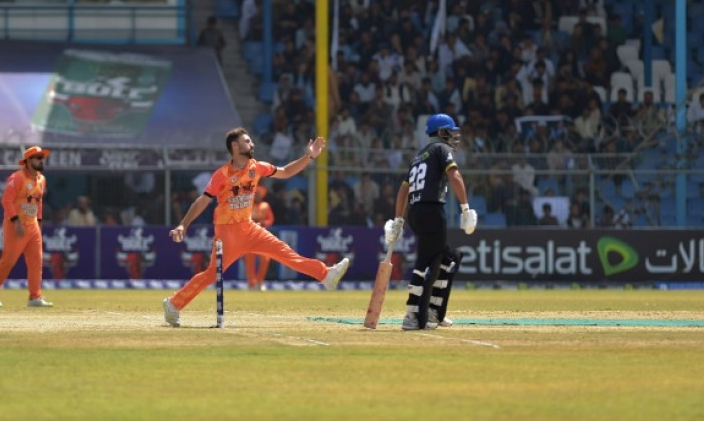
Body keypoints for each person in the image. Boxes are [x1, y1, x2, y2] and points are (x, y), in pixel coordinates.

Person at [163, 128, 350, 327]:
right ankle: (174, 304)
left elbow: (286, 172)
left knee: (286, 253)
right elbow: (202, 201)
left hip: (250, 228)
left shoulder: (257, 167)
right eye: (247, 141)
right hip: (227, 233)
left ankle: (325, 275)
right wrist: (183, 224)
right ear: (235, 147)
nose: (252, 144)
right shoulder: (222, 175)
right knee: (211, 274)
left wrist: (309, 156)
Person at [385, 114, 477, 331]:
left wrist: (399, 219)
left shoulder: (419, 156)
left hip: (416, 213)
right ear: (441, 131)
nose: (454, 136)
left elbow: (403, 190)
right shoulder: (440, 149)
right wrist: (465, 208)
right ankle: (412, 315)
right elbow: (455, 176)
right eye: (450, 131)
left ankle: (434, 311)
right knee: (425, 262)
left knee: (447, 259)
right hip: (432, 210)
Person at [0, 146, 54, 308]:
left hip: (33, 225)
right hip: (16, 225)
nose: (40, 160)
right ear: (28, 161)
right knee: (9, 260)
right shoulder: (17, 178)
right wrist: (16, 221)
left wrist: (39, 222)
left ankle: (35, 296)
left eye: (41, 157)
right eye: (37, 157)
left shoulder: (41, 180)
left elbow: (39, 201)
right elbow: (6, 201)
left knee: (36, 261)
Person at [244, 185, 275, 291]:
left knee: (265, 258)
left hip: (262, 235)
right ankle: (251, 283)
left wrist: (264, 222)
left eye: (258, 194)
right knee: (249, 259)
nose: (256, 196)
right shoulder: (247, 205)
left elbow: (270, 219)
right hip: (249, 235)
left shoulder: (265, 206)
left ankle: (260, 281)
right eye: (255, 194)